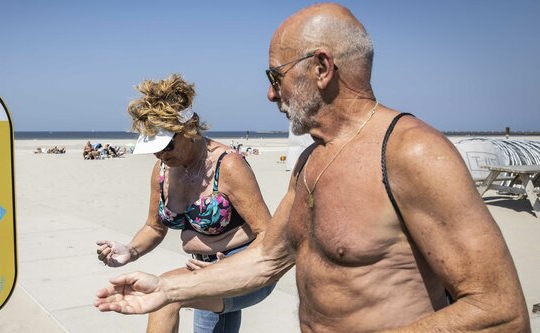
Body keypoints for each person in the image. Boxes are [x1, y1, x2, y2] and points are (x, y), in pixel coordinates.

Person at [95, 3, 530, 332]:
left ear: (321, 67)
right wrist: (167, 288)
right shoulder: (311, 160)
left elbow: (500, 310)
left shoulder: (411, 153)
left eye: (274, 77)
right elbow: (267, 257)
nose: (270, 95)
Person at [95, 73, 275, 333]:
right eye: (154, 148)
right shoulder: (162, 170)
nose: (160, 154)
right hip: (200, 267)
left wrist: (228, 270)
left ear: (188, 127)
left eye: (167, 145)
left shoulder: (228, 164)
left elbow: (267, 234)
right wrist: (130, 250)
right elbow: (154, 227)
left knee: (164, 294)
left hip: (246, 269)